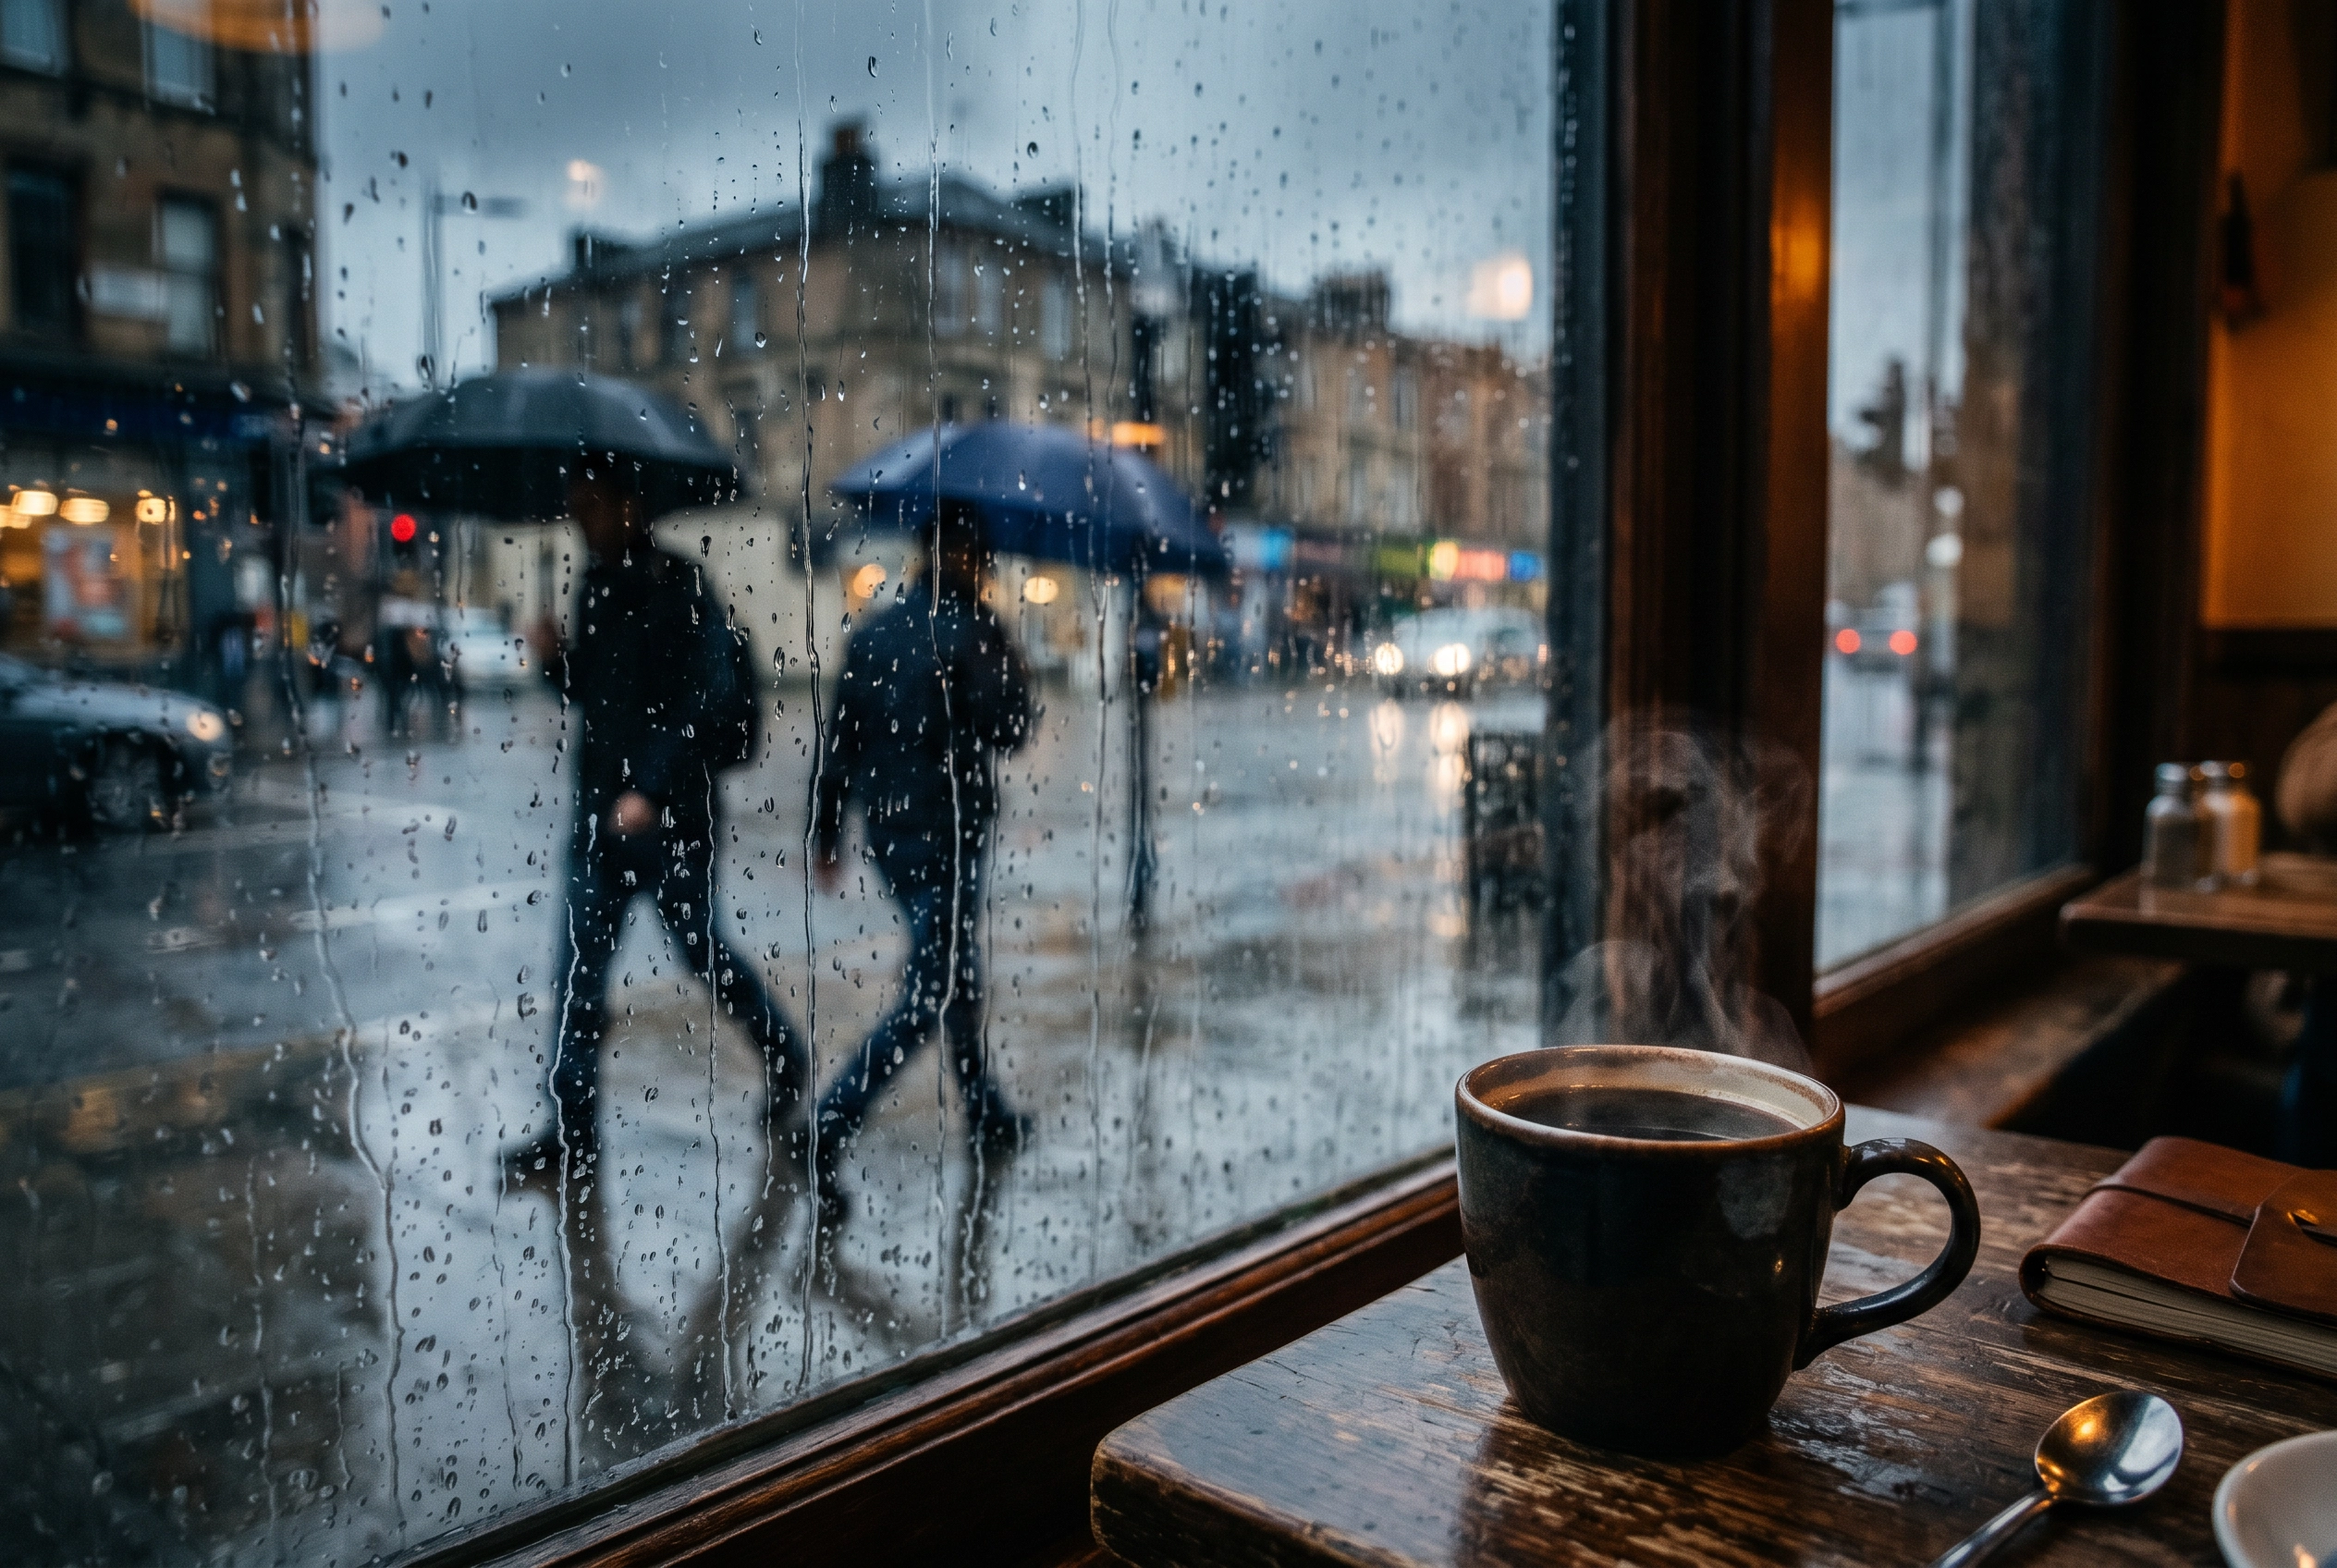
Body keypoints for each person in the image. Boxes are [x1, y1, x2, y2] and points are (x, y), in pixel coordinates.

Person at [505, 457, 805, 1186]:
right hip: (599, 814)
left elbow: (705, 702)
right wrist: (555, 662)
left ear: (631, 507)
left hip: (669, 818)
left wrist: (649, 787)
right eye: (575, 511)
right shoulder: (594, 586)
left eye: (594, 509)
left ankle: (784, 1053)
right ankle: (570, 1131)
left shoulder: (680, 587)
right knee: (579, 974)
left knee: (699, 950)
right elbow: (600, 699)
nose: (585, 524)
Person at [811, 502, 1034, 1220]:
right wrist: (1008, 660)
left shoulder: (875, 630)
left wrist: (826, 832)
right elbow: (1012, 729)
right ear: (964, 556)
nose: (988, 569)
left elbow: (840, 739)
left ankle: (986, 1111)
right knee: (935, 989)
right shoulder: (974, 632)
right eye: (983, 557)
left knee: (954, 971)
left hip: (890, 832)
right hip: (949, 833)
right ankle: (831, 1123)